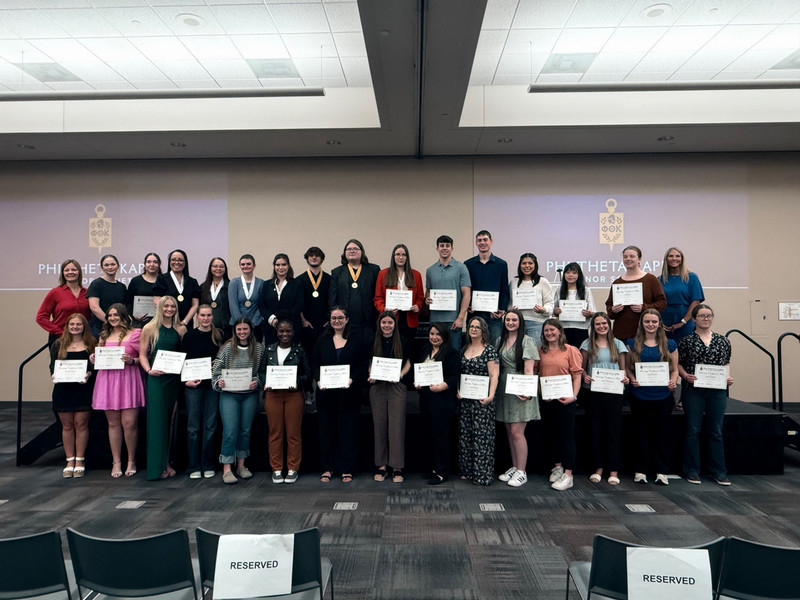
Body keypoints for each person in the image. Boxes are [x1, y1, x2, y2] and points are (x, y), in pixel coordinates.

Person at [678, 304, 733, 486]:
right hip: (693, 391)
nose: (706, 318)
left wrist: (727, 377)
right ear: (694, 319)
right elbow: (679, 364)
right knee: (693, 430)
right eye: (701, 316)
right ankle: (692, 470)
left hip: (717, 392)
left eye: (709, 315)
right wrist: (685, 375)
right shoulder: (686, 341)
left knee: (715, 431)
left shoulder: (723, 341)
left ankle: (719, 471)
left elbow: (726, 363)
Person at [313, 306, 366, 483]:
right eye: (334, 318)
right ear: (329, 320)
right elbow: (315, 364)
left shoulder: (356, 340)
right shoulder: (322, 340)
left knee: (348, 431)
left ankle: (346, 468)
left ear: (347, 319)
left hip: (349, 394)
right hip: (326, 394)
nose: (337, 321)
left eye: (340, 318)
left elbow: (362, 364)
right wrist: (318, 380)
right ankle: (327, 468)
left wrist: (352, 379)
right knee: (326, 431)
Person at [625, 309, 678, 485]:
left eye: (654, 321)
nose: (650, 324)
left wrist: (673, 381)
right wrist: (632, 379)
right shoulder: (632, 343)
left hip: (663, 396)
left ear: (659, 323)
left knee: (662, 434)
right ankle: (640, 470)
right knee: (640, 434)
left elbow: (675, 369)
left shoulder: (670, 344)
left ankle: (661, 471)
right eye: (647, 321)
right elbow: (628, 368)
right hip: (640, 395)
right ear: (642, 324)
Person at [91, 303, 144, 478]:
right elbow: (99, 355)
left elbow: (145, 357)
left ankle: (131, 460)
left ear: (124, 316)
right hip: (108, 381)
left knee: (129, 424)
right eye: (110, 316)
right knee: (113, 424)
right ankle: (116, 462)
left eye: (116, 315)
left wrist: (132, 360)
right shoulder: (104, 335)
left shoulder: (135, 334)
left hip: (128, 380)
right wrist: (94, 357)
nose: (113, 318)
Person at [212, 317, 265, 484]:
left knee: (245, 430)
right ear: (235, 331)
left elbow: (262, 371)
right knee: (230, 431)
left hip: (249, 394)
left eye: (245, 329)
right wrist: (219, 382)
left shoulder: (258, 348)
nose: (242, 332)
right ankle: (227, 468)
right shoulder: (227, 348)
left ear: (251, 330)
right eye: (239, 329)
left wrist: (257, 382)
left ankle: (241, 465)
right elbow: (216, 371)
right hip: (229, 395)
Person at [140, 296, 187, 480]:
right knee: (157, 422)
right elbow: (142, 354)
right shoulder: (149, 328)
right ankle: (156, 467)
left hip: (174, 379)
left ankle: (167, 462)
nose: (169, 309)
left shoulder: (181, 329)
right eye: (166, 306)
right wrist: (149, 370)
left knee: (171, 421)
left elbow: (184, 353)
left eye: (172, 306)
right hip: (157, 380)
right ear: (160, 307)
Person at [580, 312, 628, 486]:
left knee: (613, 431)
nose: (601, 326)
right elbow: (582, 368)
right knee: (596, 430)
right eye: (598, 324)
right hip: (593, 391)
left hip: (614, 392)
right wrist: (585, 376)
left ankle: (613, 470)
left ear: (609, 324)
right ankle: (598, 468)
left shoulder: (618, 344)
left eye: (604, 323)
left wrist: (625, 378)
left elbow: (623, 369)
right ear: (593, 327)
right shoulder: (587, 344)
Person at [494, 309, 539, 488]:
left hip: (520, 389)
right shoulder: (500, 340)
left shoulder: (527, 341)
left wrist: (527, 391)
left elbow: (529, 369)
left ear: (520, 322)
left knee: (517, 432)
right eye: (508, 320)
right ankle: (514, 467)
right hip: (504, 388)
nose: (511, 323)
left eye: (514, 320)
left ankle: (522, 471)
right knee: (509, 430)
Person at [537, 319, 582, 491]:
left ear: (560, 331)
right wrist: (542, 393)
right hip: (548, 400)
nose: (549, 333)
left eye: (552, 330)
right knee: (551, 434)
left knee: (566, 436)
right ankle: (558, 467)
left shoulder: (570, 350)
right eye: (546, 330)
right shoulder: (540, 351)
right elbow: (537, 374)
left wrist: (573, 396)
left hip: (565, 400)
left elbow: (576, 376)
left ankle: (568, 474)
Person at [264, 319, 311, 484]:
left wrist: (297, 382)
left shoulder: (299, 351)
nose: (285, 334)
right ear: (276, 332)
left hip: (293, 395)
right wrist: (266, 382)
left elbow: (308, 374)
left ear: (293, 332)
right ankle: (276, 469)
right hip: (273, 394)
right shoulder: (268, 350)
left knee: (293, 433)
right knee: (275, 432)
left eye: (288, 331)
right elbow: (261, 372)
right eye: (281, 331)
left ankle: (293, 468)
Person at [49, 313, 95, 479]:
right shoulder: (58, 344)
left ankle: (80, 460)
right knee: (67, 426)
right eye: (72, 324)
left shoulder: (91, 344)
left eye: (78, 324)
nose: (75, 327)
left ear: (84, 326)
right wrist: (54, 375)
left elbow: (94, 367)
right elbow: (52, 366)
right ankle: (69, 460)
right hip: (63, 390)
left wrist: (89, 374)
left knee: (81, 424)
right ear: (67, 326)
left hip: (83, 390)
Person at [369, 311, 411, 483]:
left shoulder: (403, 341)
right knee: (379, 427)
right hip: (378, 388)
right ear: (379, 324)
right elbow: (369, 362)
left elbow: (409, 362)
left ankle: (397, 466)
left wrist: (400, 374)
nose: (387, 326)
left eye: (390, 323)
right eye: (384, 322)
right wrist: (371, 374)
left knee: (396, 427)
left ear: (395, 324)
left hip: (396, 387)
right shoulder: (372, 341)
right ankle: (381, 465)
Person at [415, 323, 460, 484]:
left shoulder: (451, 353)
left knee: (440, 436)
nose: (434, 337)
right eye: (432, 334)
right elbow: (418, 371)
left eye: (438, 334)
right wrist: (417, 383)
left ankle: (442, 472)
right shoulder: (424, 350)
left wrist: (442, 386)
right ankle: (433, 468)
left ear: (444, 336)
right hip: (426, 399)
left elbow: (455, 376)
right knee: (428, 434)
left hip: (442, 400)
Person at [182, 304, 223, 479]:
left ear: (212, 317)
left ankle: (208, 464)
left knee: (210, 426)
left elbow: (224, 359)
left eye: (209, 315)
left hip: (212, 386)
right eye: (203, 315)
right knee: (193, 427)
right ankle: (193, 466)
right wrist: (186, 381)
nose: (206, 318)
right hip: (194, 386)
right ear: (197, 317)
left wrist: (217, 365)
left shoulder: (219, 335)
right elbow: (182, 360)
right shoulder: (189, 336)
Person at [458, 316, 499, 486]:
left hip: (482, 401)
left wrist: (491, 396)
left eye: (477, 327)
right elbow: (460, 373)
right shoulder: (464, 349)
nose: (474, 329)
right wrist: (458, 389)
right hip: (466, 400)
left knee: (483, 438)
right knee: (466, 436)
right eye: (471, 326)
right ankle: (468, 471)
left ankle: (482, 474)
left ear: (484, 330)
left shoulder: (489, 350)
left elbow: (494, 375)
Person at [605, 245, 667, 341]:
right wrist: (613, 310)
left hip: (645, 334)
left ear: (639, 259)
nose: (628, 259)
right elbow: (609, 307)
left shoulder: (651, 279)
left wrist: (644, 308)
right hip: (621, 333)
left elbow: (662, 303)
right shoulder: (617, 282)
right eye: (625, 257)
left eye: (632, 256)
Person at [329, 239, 381, 350]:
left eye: (355, 248)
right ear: (344, 253)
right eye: (349, 249)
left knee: (367, 351)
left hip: (368, 322)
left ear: (362, 252)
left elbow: (379, 293)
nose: (352, 251)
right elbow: (332, 298)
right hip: (346, 323)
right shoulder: (337, 272)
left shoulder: (373, 270)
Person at [425, 235, 471, 351]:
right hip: (435, 320)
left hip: (453, 321)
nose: (444, 248)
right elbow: (428, 292)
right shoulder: (430, 270)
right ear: (437, 248)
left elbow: (466, 294)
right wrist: (427, 299)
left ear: (452, 248)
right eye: (442, 246)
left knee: (453, 353)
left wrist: (461, 318)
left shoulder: (461, 268)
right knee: (436, 352)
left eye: (447, 245)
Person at [374, 243, 425, 341]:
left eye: (403, 255)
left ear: (407, 257)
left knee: (408, 346)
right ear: (393, 257)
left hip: (409, 318)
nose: (400, 257)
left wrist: (417, 306)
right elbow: (378, 298)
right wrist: (384, 309)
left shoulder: (416, 275)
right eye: (397, 254)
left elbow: (420, 298)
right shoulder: (383, 274)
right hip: (390, 318)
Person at [465, 230, 509, 341]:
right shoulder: (468, 264)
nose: (482, 242)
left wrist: (502, 309)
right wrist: (467, 305)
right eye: (479, 240)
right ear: (476, 243)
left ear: (491, 241)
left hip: (493, 316)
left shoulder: (501, 264)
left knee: (495, 345)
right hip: (474, 314)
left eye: (485, 239)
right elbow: (465, 289)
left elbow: (504, 289)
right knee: (472, 344)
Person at [36, 259, 91, 342]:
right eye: (67, 270)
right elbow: (41, 317)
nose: (70, 272)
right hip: (60, 339)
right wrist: (60, 332)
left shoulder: (88, 293)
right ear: (62, 273)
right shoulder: (55, 292)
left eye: (74, 270)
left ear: (79, 272)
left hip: (84, 339)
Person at [660, 247, 705, 342]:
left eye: (677, 256)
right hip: (665, 323)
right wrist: (659, 322)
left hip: (686, 321)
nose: (674, 258)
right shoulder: (660, 279)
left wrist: (682, 322)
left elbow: (695, 302)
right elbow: (657, 302)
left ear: (682, 259)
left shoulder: (692, 277)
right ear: (666, 259)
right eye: (671, 256)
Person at [259, 253, 303, 345]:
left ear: (288, 266)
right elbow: (261, 304)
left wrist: (283, 320)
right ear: (274, 266)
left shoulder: (297, 284)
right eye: (277, 265)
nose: (280, 267)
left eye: (283, 264)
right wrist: (272, 319)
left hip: (291, 327)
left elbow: (299, 305)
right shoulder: (267, 284)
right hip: (271, 327)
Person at [508, 252, 553, 342]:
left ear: (535, 265)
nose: (527, 266)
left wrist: (544, 309)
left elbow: (550, 303)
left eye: (530, 263)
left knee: (535, 350)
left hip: (537, 323)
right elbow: (509, 303)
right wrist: (511, 309)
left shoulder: (543, 281)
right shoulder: (513, 282)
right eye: (524, 263)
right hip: (517, 324)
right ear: (520, 265)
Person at [296, 246, 331, 357]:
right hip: (306, 324)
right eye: (311, 255)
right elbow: (298, 303)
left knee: (324, 353)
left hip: (325, 324)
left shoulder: (329, 279)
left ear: (322, 258)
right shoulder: (299, 280)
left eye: (317, 255)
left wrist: (330, 320)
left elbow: (333, 301)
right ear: (307, 258)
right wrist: (303, 320)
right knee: (308, 354)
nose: (314, 257)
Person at [153, 249, 200, 329]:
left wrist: (184, 322)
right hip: (166, 323)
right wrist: (169, 318)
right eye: (173, 260)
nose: (177, 262)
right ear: (169, 262)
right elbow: (157, 301)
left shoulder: (192, 282)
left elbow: (195, 305)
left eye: (180, 260)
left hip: (186, 324)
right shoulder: (162, 279)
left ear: (185, 263)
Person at [553, 262, 596, 348]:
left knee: (580, 353)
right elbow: (553, 309)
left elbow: (593, 312)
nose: (570, 275)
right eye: (568, 272)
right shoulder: (559, 290)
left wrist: (589, 313)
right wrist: (555, 311)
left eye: (574, 272)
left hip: (581, 329)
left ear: (579, 275)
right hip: (564, 329)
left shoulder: (586, 290)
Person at [86, 254, 127, 337]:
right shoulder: (96, 284)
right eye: (106, 265)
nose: (110, 267)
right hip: (99, 328)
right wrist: (109, 321)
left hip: (118, 328)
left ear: (118, 266)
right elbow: (94, 307)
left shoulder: (122, 286)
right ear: (102, 267)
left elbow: (124, 307)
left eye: (113, 264)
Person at [228, 254, 264, 332]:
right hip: (237, 325)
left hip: (255, 325)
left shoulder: (261, 283)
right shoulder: (234, 283)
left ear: (254, 266)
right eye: (243, 264)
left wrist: (253, 323)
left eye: (248, 264)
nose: (245, 266)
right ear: (240, 266)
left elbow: (261, 305)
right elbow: (233, 305)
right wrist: (241, 324)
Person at [126, 252, 162, 328]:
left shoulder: (164, 280)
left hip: (160, 322)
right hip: (139, 323)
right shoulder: (136, 281)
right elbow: (128, 302)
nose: (152, 264)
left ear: (159, 264)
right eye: (149, 262)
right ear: (145, 264)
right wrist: (134, 315)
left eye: (155, 262)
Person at [200, 256, 231, 340]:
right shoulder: (203, 287)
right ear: (210, 268)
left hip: (226, 329)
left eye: (221, 266)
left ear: (225, 269)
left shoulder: (230, 286)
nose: (218, 268)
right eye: (215, 266)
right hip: (207, 328)